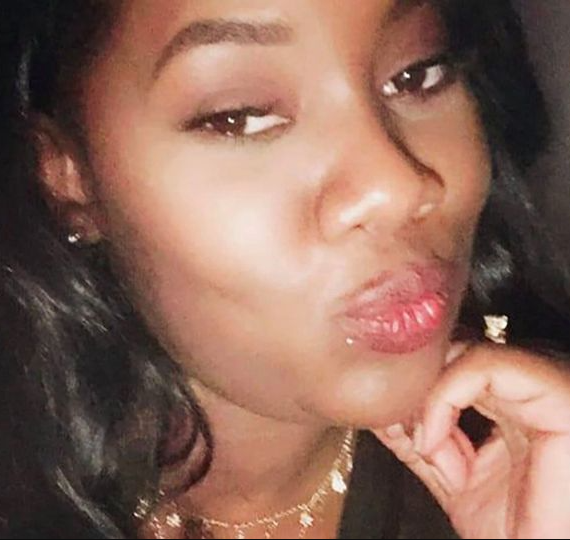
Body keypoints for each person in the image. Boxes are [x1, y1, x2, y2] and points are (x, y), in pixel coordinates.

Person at [0, 0, 569, 538]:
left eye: (418, 73)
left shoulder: (543, 464)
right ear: (67, 175)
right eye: (239, 117)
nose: (398, 187)